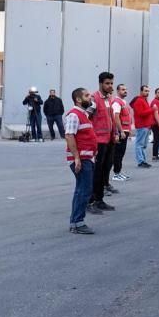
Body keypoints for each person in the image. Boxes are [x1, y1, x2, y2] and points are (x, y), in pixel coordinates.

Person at [63, 87, 98, 235]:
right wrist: (77, 157)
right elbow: (69, 136)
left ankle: (75, 222)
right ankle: (78, 222)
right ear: (78, 99)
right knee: (84, 190)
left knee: (81, 190)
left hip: (86, 158)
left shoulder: (83, 114)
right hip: (81, 159)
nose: (89, 98)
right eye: (86, 96)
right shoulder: (74, 115)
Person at [89, 72, 121, 211]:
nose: (110, 86)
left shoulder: (108, 98)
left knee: (105, 170)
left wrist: (115, 133)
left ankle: (100, 199)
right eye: (107, 83)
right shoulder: (93, 99)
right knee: (96, 171)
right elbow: (87, 118)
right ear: (101, 83)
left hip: (109, 140)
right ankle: (91, 201)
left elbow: (110, 118)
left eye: (111, 83)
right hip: (98, 141)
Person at [111, 84, 133, 183]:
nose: (125, 91)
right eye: (123, 89)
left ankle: (118, 172)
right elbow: (116, 117)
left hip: (125, 130)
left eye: (126, 89)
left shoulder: (123, 102)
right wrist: (121, 131)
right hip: (121, 131)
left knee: (121, 153)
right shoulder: (117, 102)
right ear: (118, 91)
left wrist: (129, 130)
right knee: (118, 153)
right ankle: (116, 173)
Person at [131, 85, 154, 169]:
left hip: (146, 126)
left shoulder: (143, 100)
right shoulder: (139, 101)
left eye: (148, 91)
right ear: (141, 91)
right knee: (140, 144)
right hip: (142, 125)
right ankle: (141, 161)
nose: (147, 92)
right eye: (145, 91)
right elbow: (141, 113)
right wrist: (152, 109)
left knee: (143, 145)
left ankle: (143, 160)